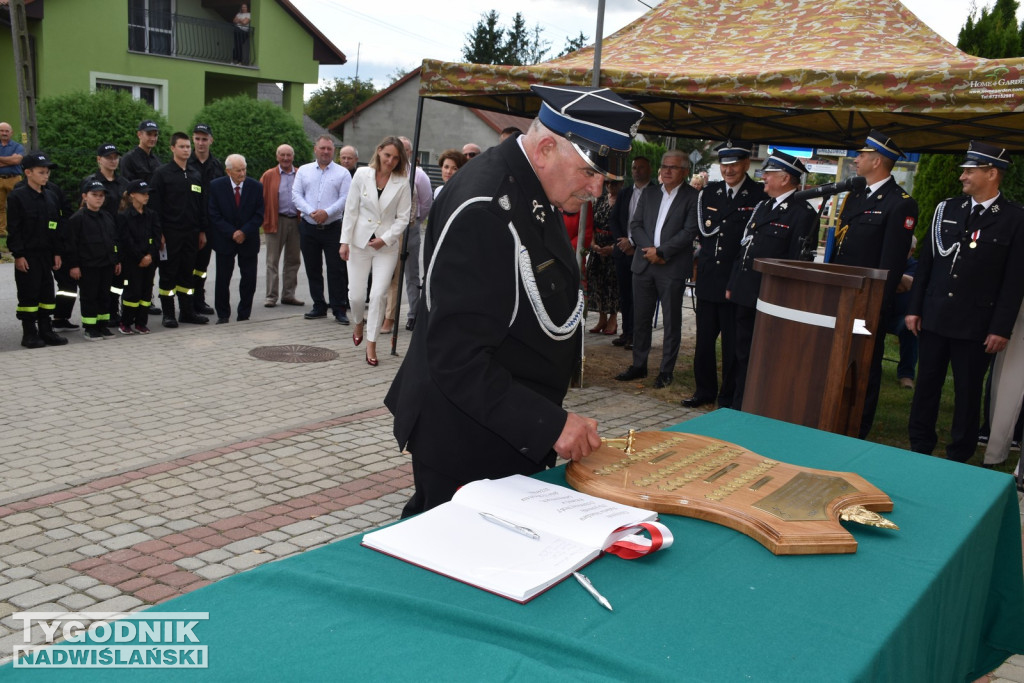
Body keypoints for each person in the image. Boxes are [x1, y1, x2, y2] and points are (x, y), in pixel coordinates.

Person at [386, 85, 643, 516]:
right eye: (590, 173)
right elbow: (457, 356)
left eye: (605, 179)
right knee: (451, 564)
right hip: (468, 435)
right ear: (545, 148)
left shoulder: (525, 185)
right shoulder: (487, 207)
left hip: (498, 425)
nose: (598, 190)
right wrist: (549, 424)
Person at [906, 141, 1024, 463]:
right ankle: (919, 445)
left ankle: (959, 453)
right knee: (926, 384)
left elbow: (1014, 282)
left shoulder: (1014, 219)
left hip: (976, 325)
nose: (962, 177)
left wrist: (1000, 328)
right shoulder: (949, 209)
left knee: (967, 393)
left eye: (970, 171)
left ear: (992, 173)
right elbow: (926, 264)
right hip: (934, 316)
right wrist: (915, 308)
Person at [829, 130, 918, 438]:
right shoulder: (856, 194)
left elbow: (890, 265)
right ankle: (833, 413)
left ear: (877, 160)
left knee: (864, 365)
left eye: (862, 155)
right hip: (842, 295)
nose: (856, 159)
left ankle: (857, 424)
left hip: (868, 301)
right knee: (837, 358)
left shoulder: (899, 203)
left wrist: (876, 306)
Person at [726, 150, 818, 410]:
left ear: (786, 178)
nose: (763, 177)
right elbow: (744, 246)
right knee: (741, 351)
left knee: (765, 356)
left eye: (769, 173)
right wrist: (733, 283)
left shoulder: (802, 213)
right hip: (745, 291)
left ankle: (757, 404)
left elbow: (797, 263)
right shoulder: (764, 205)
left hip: (770, 297)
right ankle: (739, 402)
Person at [683, 140, 767, 409]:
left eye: (734, 165)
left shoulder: (758, 195)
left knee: (733, 345)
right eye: (724, 165)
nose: (729, 170)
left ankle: (729, 398)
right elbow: (703, 234)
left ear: (745, 164)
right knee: (704, 342)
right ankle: (704, 391)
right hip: (709, 278)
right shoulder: (710, 193)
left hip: (736, 281)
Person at [615, 150, 699, 390]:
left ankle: (665, 371)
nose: (667, 170)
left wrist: (662, 252)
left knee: (672, 321)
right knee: (640, 318)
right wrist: (650, 250)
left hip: (670, 267)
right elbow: (636, 224)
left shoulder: (692, 196)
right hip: (644, 264)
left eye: (673, 167)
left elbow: (689, 231)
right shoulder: (650, 193)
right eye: (664, 166)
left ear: (684, 171)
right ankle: (639, 365)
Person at [339, 136, 412, 366]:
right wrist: (344, 242)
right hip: (359, 243)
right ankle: (358, 322)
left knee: (378, 294)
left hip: (386, 247)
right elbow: (351, 210)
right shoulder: (361, 175)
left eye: (395, 157)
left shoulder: (402, 181)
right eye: (387, 154)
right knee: (356, 295)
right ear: (379, 151)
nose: (390, 160)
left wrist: (386, 238)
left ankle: (371, 343)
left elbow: (404, 218)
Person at [149, 132, 209, 327]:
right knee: (168, 273)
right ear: (172, 148)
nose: (186, 150)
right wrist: (160, 234)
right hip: (170, 233)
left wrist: (201, 230)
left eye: (187, 147)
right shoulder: (162, 173)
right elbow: (155, 206)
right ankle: (168, 314)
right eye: (182, 146)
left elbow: (200, 205)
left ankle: (187, 311)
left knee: (187, 273)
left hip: (191, 233)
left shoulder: (194, 174)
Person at [7, 153, 67, 348]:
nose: (46, 176)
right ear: (28, 173)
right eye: (41, 172)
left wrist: (57, 252)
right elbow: (14, 229)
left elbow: (55, 226)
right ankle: (29, 333)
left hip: (46, 254)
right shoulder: (18, 196)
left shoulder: (50, 196)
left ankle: (46, 330)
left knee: (47, 294)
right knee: (29, 294)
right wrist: (19, 254)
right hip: (28, 255)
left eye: (47, 172)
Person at [293, 135, 351, 325]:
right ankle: (319, 305)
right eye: (322, 148)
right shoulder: (304, 170)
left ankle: (339, 308)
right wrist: (311, 212)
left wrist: (327, 212)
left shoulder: (343, 173)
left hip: (333, 227)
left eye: (329, 148)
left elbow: (345, 198)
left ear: (333, 151)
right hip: (309, 227)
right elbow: (296, 195)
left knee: (336, 269)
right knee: (313, 268)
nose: (326, 152)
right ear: (315, 149)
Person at [76, 143, 130, 328]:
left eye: (116, 157)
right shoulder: (91, 182)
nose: (113, 161)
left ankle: (113, 311)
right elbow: (82, 211)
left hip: (119, 237)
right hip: (99, 240)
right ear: (99, 159)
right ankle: (99, 318)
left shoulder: (123, 183)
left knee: (118, 280)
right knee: (98, 284)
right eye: (109, 157)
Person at [208, 154, 264, 323]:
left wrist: (244, 232)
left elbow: (259, 214)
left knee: (249, 278)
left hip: (248, 239)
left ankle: (244, 313)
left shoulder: (255, 187)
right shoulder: (216, 186)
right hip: (225, 239)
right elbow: (214, 214)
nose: (242, 173)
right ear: (228, 171)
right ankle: (223, 314)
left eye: (244, 169)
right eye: (238, 170)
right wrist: (232, 232)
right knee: (223, 278)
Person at [608, 157, 655, 351]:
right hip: (622, 252)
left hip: (643, 252)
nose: (637, 171)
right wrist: (621, 241)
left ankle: (637, 335)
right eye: (634, 167)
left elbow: (653, 224)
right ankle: (626, 332)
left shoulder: (656, 193)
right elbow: (614, 219)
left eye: (641, 168)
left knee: (640, 297)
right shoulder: (625, 192)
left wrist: (634, 243)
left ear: (650, 169)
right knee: (625, 295)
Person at [65, 181, 120, 340]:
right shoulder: (77, 218)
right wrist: (74, 265)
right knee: (90, 296)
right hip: (88, 265)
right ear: (85, 196)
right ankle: (90, 327)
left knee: (104, 295)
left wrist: (116, 260)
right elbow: (71, 245)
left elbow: (114, 240)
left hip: (107, 263)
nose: (98, 199)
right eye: (94, 195)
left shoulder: (107, 216)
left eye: (101, 196)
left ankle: (103, 325)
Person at [120, 119, 163, 318]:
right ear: (139, 135)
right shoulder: (129, 159)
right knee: (134, 264)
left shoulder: (156, 160)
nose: (152, 138)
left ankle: (148, 300)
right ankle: (127, 308)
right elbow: (128, 189)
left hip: (150, 216)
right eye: (149, 134)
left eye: (155, 134)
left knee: (150, 262)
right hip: (134, 216)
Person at [394, 136, 432, 332]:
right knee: (387, 274)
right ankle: (387, 316)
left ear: (409, 152)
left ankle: (413, 314)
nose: (400, 152)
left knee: (411, 275)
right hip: (389, 228)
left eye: (404, 149)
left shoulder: (418, 175)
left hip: (411, 226)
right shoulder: (388, 171)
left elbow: (426, 204)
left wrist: (414, 221)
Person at [187, 123, 225, 316]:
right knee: (187, 265)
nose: (201, 143)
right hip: (189, 224)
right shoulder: (185, 163)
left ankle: (199, 300)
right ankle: (187, 304)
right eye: (197, 138)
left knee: (202, 267)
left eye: (204, 139)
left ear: (211, 140)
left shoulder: (217, 166)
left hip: (210, 224)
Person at [259, 144, 303, 308]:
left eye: (288, 155)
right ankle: (271, 296)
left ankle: (289, 294)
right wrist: (263, 218)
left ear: (293, 156)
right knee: (272, 261)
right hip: (275, 220)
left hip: (296, 221)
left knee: (293, 260)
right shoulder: (269, 175)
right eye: (282, 155)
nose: (285, 158)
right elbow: (260, 198)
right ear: (277, 157)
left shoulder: (300, 174)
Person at [117, 179, 161, 334]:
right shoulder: (124, 216)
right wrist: (140, 257)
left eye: (147, 193)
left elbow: (156, 237)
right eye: (143, 193)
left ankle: (141, 323)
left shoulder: (151, 214)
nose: (146, 196)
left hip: (149, 260)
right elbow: (126, 240)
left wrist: (150, 255)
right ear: (132, 195)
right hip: (132, 261)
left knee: (146, 292)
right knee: (132, 292)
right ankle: (126, 322)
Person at [586, 180, 621, 336]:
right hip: (598, 247)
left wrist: (613, 248)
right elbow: (591, 224)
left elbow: (626, 227)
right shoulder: (599, 200)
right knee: (596, 280)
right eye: (608, 184)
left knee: (612, 284)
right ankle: (602, 318)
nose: (610, 187)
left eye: (614, 184)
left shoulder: (624, 202)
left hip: (614, 247)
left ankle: (613, 320)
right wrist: (592, 243)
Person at [0, 121, 25, 238]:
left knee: (17, 205)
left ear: (11, 133)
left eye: (6, 131)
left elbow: (17, 161)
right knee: (0, 207)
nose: (4, 133)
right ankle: (2, 232)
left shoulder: (18, 146)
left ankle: (17, 230)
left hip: (14, 179)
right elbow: (12, 160)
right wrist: (10, 160)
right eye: (2, 131)